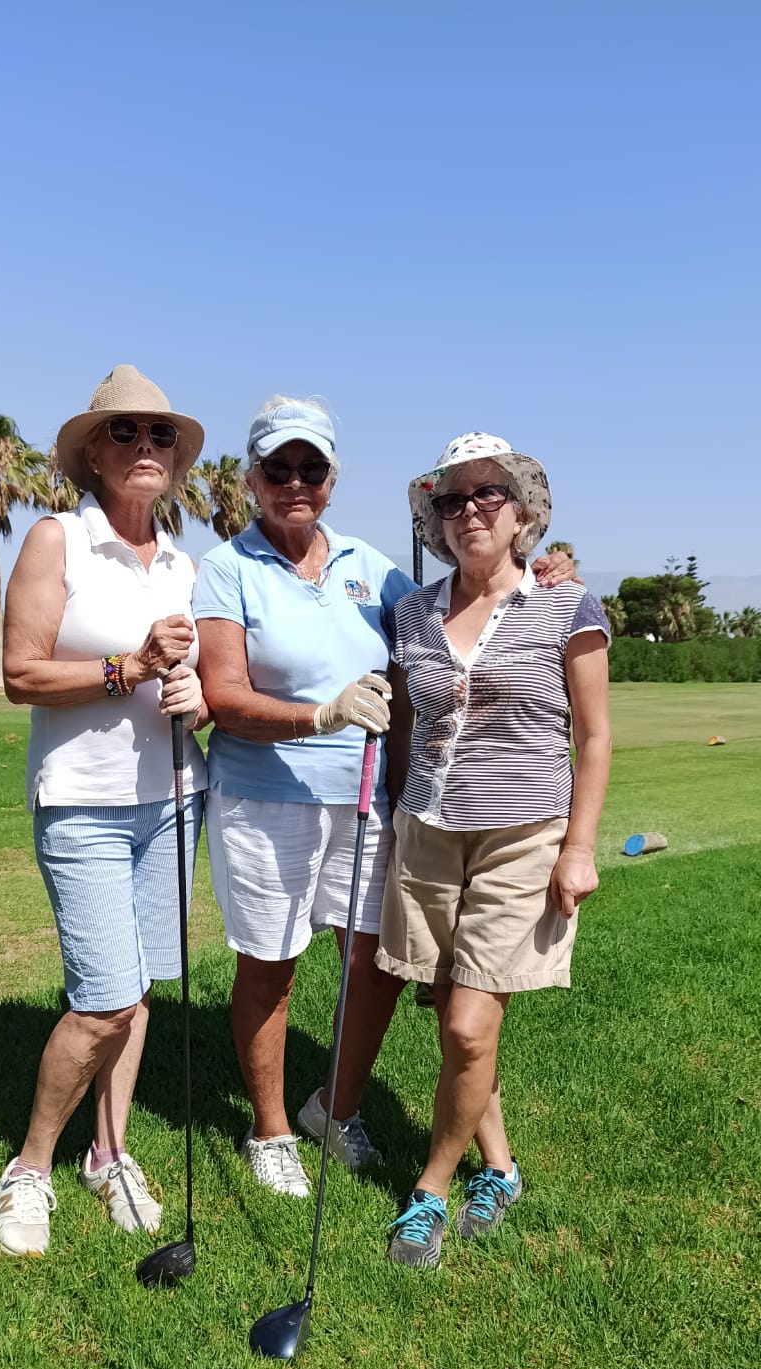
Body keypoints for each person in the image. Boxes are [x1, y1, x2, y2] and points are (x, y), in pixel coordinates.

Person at [194, 402, 578, 1196]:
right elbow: (223, 697)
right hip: (264, 798)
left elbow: (464, 601)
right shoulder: (227, 567)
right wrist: (318, 716)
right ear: (251, 480)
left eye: (310, 469)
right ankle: (270, 1129)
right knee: (270, 967)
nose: (294, 483)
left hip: (367, 798)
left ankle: (331, 1109)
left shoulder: (371, 567)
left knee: (376, 964)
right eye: (277, 469)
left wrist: (541, 572)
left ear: (331, 480)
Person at [376, 433, 612, 1267]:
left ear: (522, 514)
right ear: (435, 520)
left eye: (487, 494)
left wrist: (578, 848)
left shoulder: (566, 606)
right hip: (426, 833)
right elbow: (403, 727)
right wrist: (392, 819)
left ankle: (430, 1190)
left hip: (522, 838)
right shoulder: (412, 612)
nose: (468, 510)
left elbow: (593, 736)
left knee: (471, 1026)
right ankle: (501, 1169)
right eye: (451, 499)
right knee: (453, 1023)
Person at [0, 365, 209, 1256]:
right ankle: (30, 1167)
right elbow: (21, 675)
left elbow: (195, 679)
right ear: (92, 451)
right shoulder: (60, 541)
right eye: (125, 431)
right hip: (83, 803)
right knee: (102, 1001)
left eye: (161, 434)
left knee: (139, 990)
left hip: (173, 800)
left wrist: (194, 693)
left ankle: (108, 1153)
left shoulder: (185, 564)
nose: (146, 445)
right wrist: (131, 667)